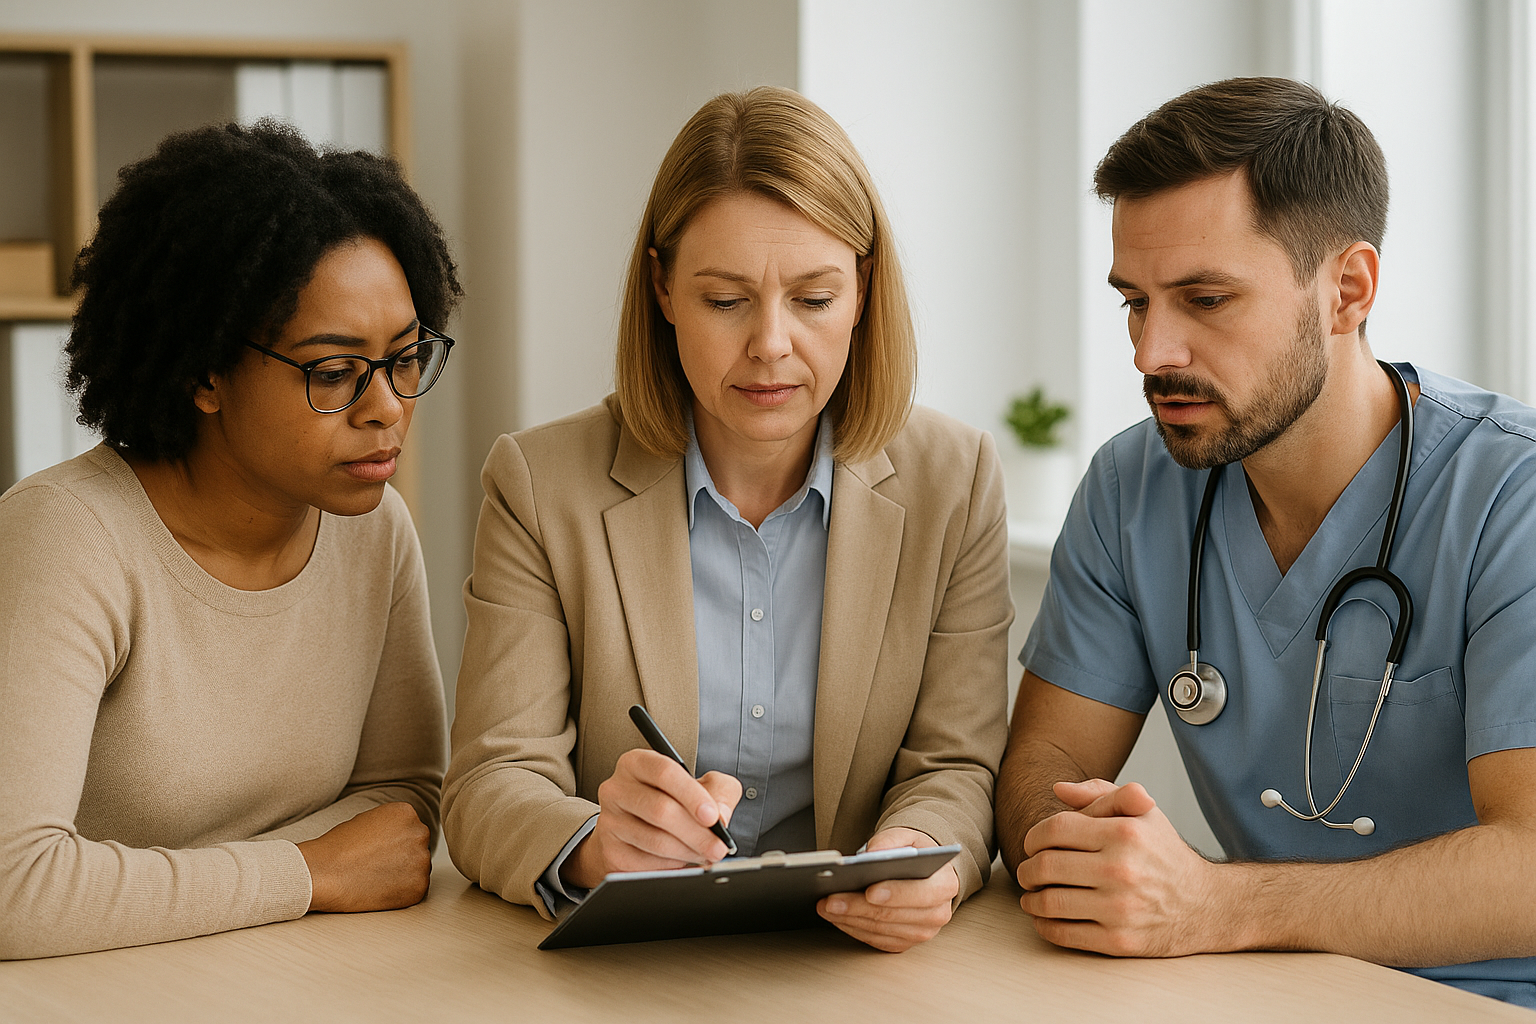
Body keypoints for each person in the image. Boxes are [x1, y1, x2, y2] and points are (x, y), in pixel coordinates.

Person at [995, 76, 1536, 1009]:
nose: (1150, 352)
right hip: (1256, 993)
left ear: (1347, 291)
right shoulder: (1134, 488)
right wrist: (1081, 849)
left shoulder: (1509, 498)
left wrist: (1212, 906)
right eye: (1135, 300)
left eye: (1205, 300)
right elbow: (1043, 769)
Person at [444, 86, 1010, 952]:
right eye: (724, 301)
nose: (771, 344)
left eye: (815, 300)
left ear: (863, 290)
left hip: (852, 969)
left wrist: (916, 854)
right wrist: (591, 845)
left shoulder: (955, 481)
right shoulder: (540, 483)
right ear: (663, 288)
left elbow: (956, 766)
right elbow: (492, 781)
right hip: (631, 973)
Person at [0, 121, 461, 959]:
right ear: (203, 373)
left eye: (403, 359)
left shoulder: (374, 530)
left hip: (281, 973)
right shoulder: (65, 540)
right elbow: (14, 888)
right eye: (333, 372)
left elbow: (400, 805)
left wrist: (261, 883)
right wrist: (307, 872)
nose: (387, 406)